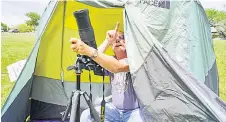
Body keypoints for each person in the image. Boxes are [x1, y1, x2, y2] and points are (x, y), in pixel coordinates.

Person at [70, 22, 144, 122]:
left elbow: (117, 67)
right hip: (114, 111)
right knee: (87, 115)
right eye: (115, 39)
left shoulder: (135, 60)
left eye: (122, 38)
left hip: (134, 112)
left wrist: (88, 50)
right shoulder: (110, 61)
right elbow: (95, 61)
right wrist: (108, 40)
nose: (118, 40)